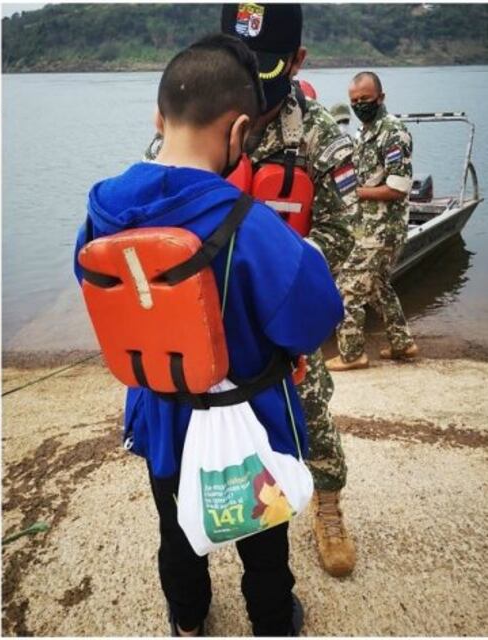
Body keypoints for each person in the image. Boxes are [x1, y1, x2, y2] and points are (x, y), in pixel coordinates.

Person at [76, 34, 344, 635]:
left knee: (175, 532)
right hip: (251, 420)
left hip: (161, 414)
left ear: (158, 117)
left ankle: (189, 619)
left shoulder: (101, 212)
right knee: (263, 542)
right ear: (240, 131)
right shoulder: (249, 226)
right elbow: (315, 317)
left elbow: (95, 284)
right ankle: (274, 621)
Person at [146, 3, 359, 577]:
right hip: (205, 318)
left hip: (284, 313)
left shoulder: (319, 136)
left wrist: (295, 279)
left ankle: (327, 502)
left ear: (296, 62)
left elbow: (346, 230)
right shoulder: (197, 113)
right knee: (200, 420)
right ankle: (201, 519)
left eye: (263, 68)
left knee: (308, 411)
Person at [327, 72, 418, 371]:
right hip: (366, 226)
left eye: (365, 99)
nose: (359, 105)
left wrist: (356, 193)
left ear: (381, 97)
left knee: (347, 287)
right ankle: (402, 343)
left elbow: (398, 187)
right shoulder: (364, 134)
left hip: (383, 229)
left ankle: (352, 354)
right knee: (378, 286)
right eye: (354, 101)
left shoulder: (393, 132)